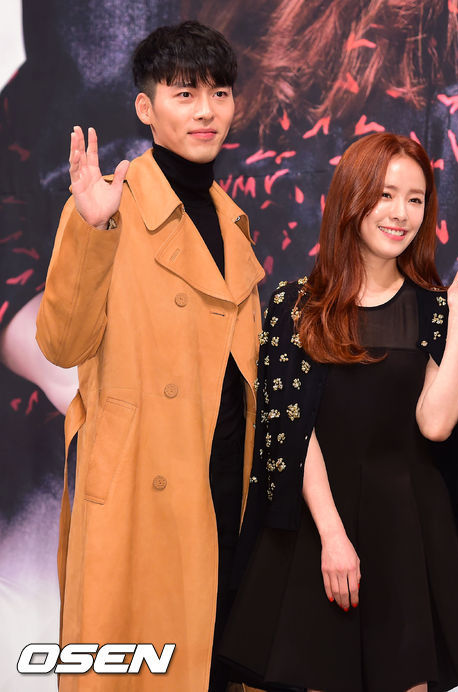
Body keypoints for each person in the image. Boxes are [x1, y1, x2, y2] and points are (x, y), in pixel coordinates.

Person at [219, 133, 458, 692]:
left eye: (415, 199)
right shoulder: (294, 304)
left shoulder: (437, 309)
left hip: (410, 529)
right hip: (317, 522)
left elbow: (436, 425)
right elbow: (293, 433)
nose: (401, 214)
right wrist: (332, 536)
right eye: (385, 195)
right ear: (352, 198)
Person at [36, 20, 264, 692]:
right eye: (184, 93)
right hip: (141, 491)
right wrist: (92, 228)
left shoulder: (234, 223)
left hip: (224, 489)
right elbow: (62, 345)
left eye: (218, 93)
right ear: (146, 107)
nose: (205, 111)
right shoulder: (108, 206)